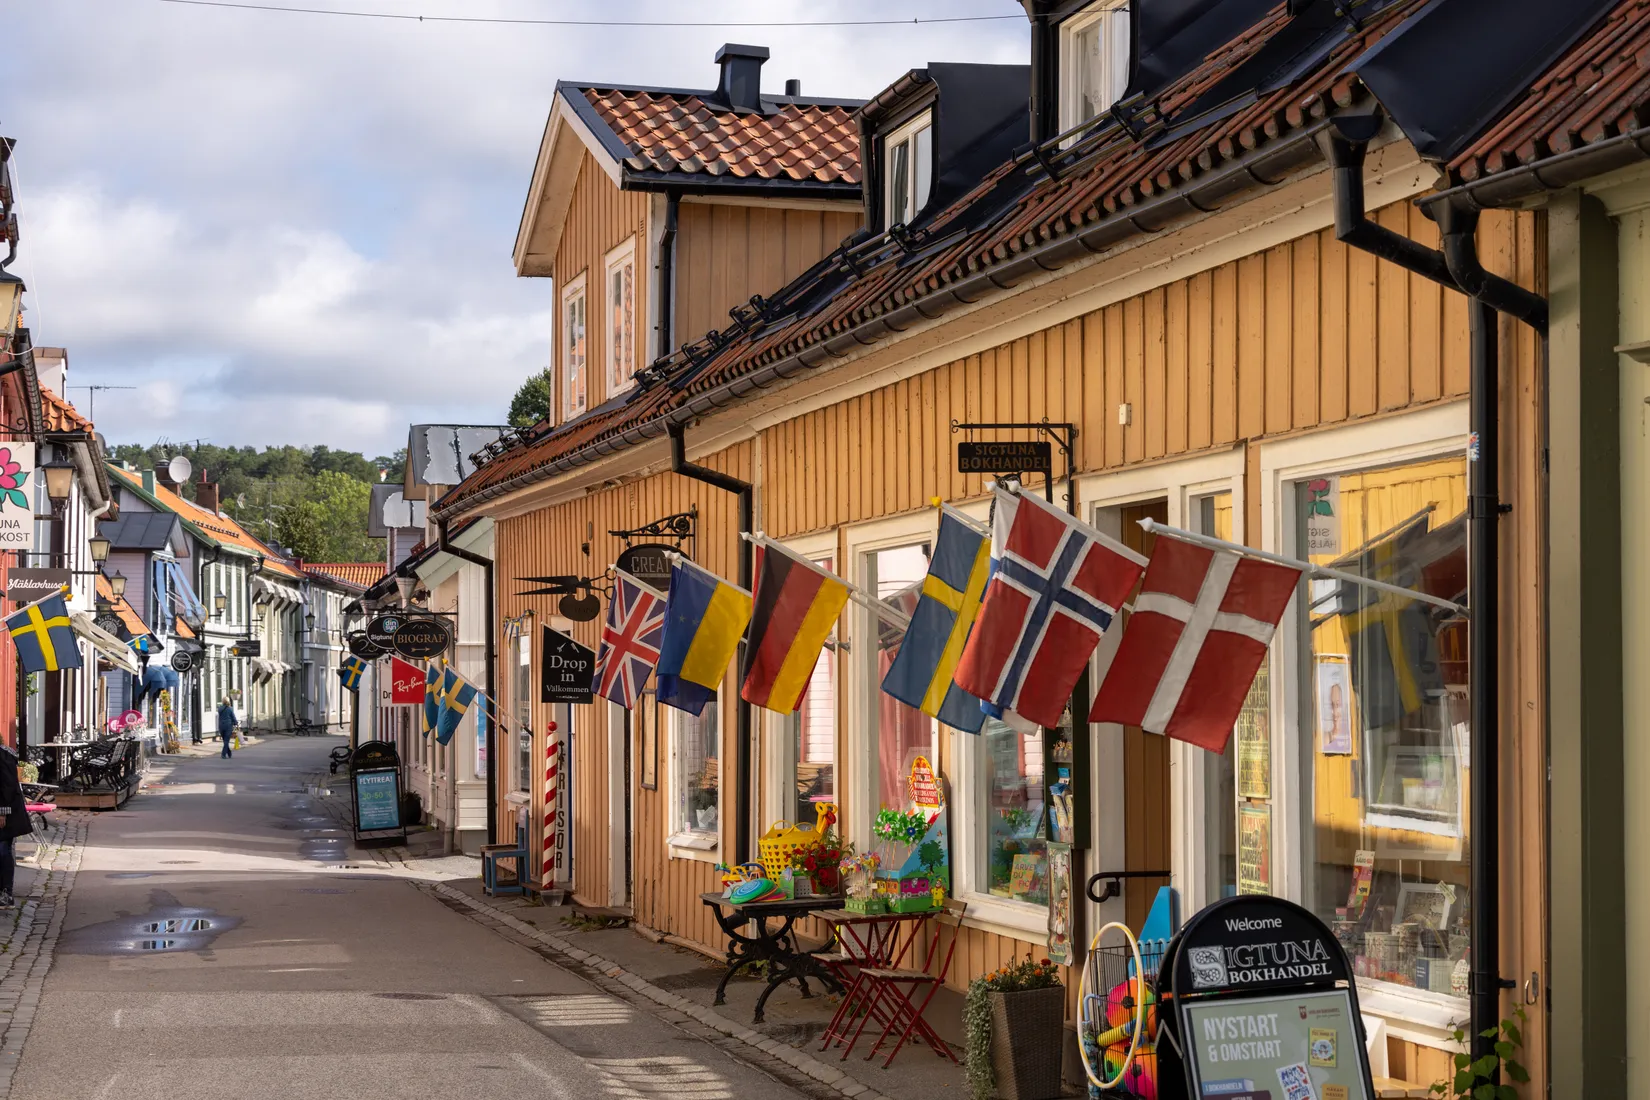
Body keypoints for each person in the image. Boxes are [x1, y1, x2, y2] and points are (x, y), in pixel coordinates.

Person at [0, 743, 34, 909]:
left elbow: (7, 785)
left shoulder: (3, 756)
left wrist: (2, 812)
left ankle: (6, 892)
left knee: (3, 851)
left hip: (6, 813)